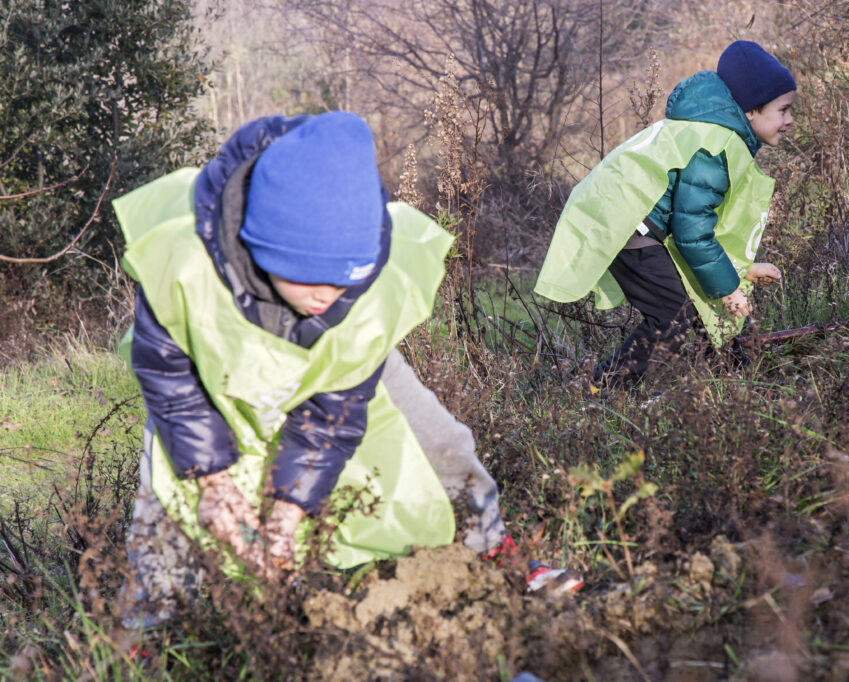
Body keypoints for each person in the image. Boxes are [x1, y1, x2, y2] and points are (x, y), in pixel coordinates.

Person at [115, 112, 580, 628]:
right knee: (167, 497)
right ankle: (146, 628)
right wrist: (214, 481)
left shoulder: (366, 289)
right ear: (259, 244)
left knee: (442, 443)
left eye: (345, 285)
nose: (327, 297)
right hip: (206, 378)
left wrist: (290, 510)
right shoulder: (185, 263)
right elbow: (171, 384)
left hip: (338, 364)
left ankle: (493, 548)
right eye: (311, 280)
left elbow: (332, 414)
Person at [534, 41, 796, 389]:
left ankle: (731, 379)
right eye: (783, 110)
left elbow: (696, 232)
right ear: (751, 110)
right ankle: (601, 387)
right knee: (673, 316)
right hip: (627, 221)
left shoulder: (717, 133)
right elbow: (691, 236)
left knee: (696, 300)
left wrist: (742, 270)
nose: (790, 120)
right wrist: (731, 287)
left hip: (634, 220)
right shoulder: (714, 145)